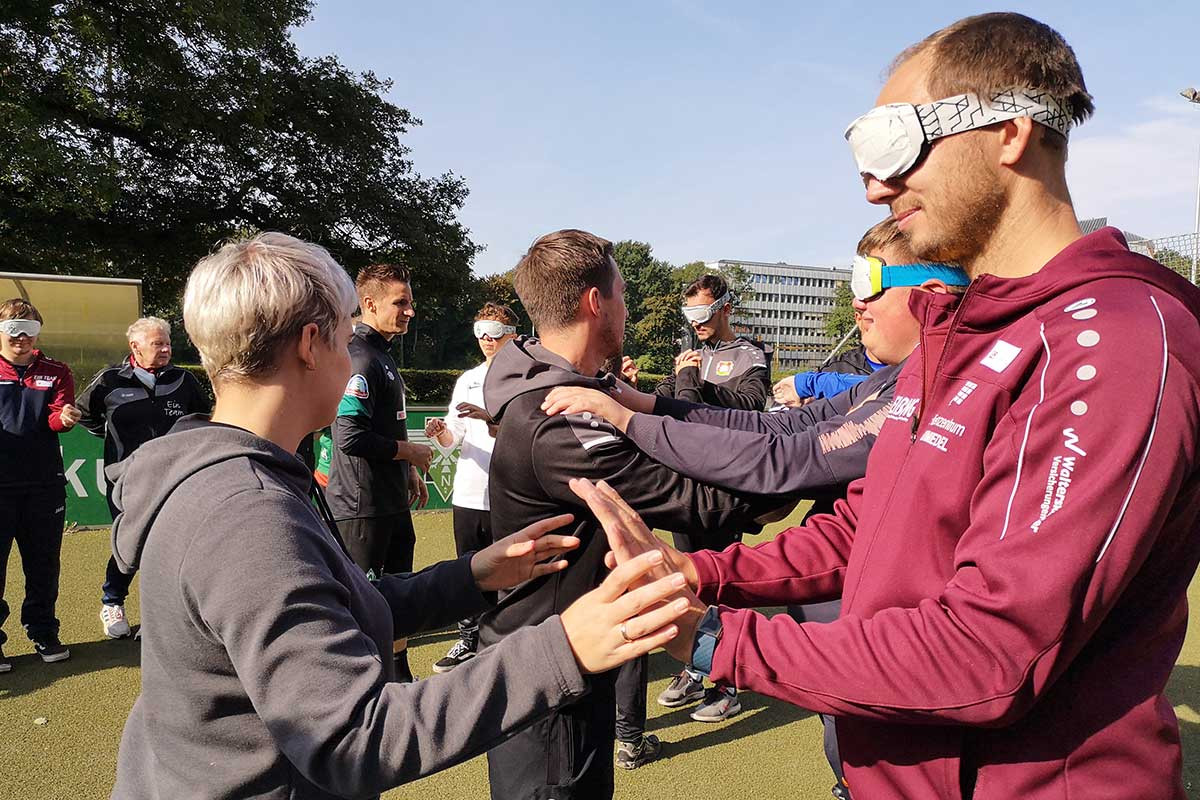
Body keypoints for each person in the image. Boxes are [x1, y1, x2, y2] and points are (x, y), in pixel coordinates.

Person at [569, 12, 1200, 799]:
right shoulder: (955, 334)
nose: (875, 185)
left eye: (897, 145)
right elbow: (867, 530)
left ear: (1009, 132)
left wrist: (708, 640)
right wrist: (698, 570)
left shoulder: (1116, 339)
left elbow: (988, 653)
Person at [106, 232, 692, 800]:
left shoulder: (228, 474)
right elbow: (352, 737)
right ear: (312, 345)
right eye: (343, 335)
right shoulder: (246, 514)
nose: (352, 350)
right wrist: (564, 647)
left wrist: (471, 577)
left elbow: (334, 612)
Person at [543, 219, 968, 798]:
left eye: (871, 286)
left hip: (900, 653)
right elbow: (777, 424)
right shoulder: (901, 376)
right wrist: (642, 402)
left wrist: (631, 422)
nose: (856, 305)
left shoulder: (934, 383)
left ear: (933, 293)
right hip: (850, 617)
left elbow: (782, 460)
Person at [480, 229, 787, 798]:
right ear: (595, 304)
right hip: (550, 676)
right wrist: (818, 465)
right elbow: (694, 499)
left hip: (571, 656)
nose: (626, 305)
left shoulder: (571, 389)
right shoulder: (557, 412)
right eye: (621, 292)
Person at [324, 262, 432, 682]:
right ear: (368, 304)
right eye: (400, 302)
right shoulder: (360, 357)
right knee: (362, 603)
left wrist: (406, 469)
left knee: (397, 595)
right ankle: (357, 688)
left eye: (410, 302)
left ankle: (398, 675)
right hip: (361, 507)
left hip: (388, 503)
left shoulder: (381, 354)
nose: (409, 311)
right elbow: (350, 436)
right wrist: (409, 451)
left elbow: (384, 425)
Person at [77, 316, 209, 639]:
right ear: (134, 347)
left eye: (167, 343)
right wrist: (108, 434)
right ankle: (112, 600)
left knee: (168, 546)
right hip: (127, 480)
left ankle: (160, 614)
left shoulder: (184, 381)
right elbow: (84, 414)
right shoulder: (110, 380)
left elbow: (205, 418)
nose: (165, 349)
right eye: (157, 344)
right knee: (131, 544)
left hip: (177, 479)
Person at [424, 302, 518, 673]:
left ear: (511, 333)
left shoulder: (526, 376)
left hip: (511, 491)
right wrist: (440, 433)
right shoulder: (468, 378)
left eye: (493, 331)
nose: (485, 338)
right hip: (469, 492)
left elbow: (530, 431)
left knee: (511, 568)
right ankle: (468, 639)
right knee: (469, 568)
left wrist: (493, 420)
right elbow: (454, 438)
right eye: (479, 329)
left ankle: (506, 640)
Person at [0, 298, 80, 670]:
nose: (21, 337)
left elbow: (56, 417)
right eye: (13, 329)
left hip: (44, 485)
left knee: (44, 565)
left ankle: (43, 630)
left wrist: (65, 418)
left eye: (29, 330)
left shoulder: (56, 370)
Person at [653, 273, 770, 411]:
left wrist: (700, 386)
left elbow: (753, 404)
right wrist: (629, 386)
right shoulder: (694, 357)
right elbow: (660, 398)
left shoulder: (750, 357)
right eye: (690, 315)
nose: (695, 324)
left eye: (701, 315)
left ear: (726, 309)